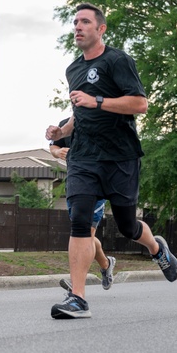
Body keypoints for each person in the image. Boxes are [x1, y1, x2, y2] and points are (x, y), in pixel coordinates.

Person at [45, 3, 177, 319]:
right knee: (80, 222)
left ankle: (157, 248)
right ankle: (78, 298)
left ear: (101, 28)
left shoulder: (118, 61)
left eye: (85, 22)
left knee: (127, 226)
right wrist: (60, 130)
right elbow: (79, 114)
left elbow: (140, 104)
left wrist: (99, 101)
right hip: (84, 159)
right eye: (75, 22)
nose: (77, 27)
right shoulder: (73, 69)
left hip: (120, 158)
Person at [50, 116, 116, 292]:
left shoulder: (103, 121)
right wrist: (58, 152)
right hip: (75, 184)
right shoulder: (67, 124)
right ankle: (106, 264)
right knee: (85, 236)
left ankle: (77, 283)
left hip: (97, 184)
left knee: (85, 234)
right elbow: (53, 145)